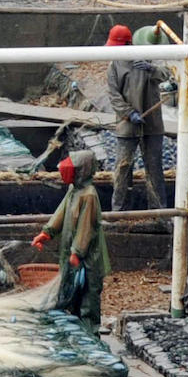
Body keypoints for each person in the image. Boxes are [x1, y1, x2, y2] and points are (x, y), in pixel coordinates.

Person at [34, 147, 110, 324]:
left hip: (88, 257)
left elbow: (86, 227)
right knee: (71, 291)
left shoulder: (89, 195)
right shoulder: (73, 190)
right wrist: (47, 233)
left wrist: (77, 251)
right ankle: (75, 329)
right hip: (72, 255)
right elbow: (60, 213)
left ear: (81, 171)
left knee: (88, 295)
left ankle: (90, 332)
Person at [105, 25, 165, 210]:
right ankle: (119, 211)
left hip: (151, 124)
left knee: (154, 169)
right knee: (122, 170)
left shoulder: (146, 57)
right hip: (127, 126)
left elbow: (169, 75)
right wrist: (129, 113)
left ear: (129, 43)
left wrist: (151, 69)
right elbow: (114, 95)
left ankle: (159, 211)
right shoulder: (114, 65)